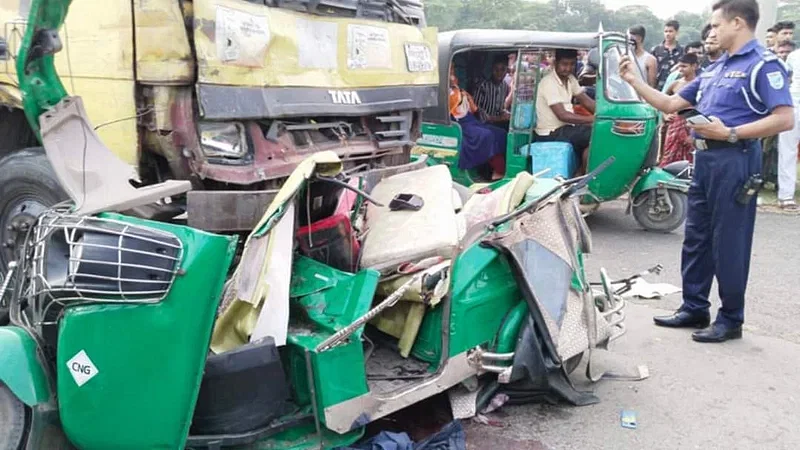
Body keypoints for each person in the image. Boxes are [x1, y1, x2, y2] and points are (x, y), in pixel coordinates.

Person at [618, 0, 794, 343]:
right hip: (705, 161)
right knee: (696, 237)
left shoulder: (763, 65)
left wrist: (730, 133)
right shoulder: (713, 69)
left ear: (738, 23)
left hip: (736, 159)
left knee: (729, 241)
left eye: (716, 25)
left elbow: (785, 118)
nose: (711, 31)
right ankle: (694, 307)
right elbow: (671, 104)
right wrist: (632, 80)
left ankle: (731, 318)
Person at [534, 49, 596, 173]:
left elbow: (586, 101)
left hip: (564, 129)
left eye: (572, 64)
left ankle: (580, 172)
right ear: (555, 63)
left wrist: (606, 113)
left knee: (599, 131)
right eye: (564, 64)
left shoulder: (570, 79)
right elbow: (563, 115)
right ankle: (582, 174)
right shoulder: (548, 82)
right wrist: (594, 119)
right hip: (550, 133)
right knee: (596, 135)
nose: (568, 68)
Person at [449, 67, 507, 180]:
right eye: (450, 72)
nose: (453, 75)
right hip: (459, 124)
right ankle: (498, 171)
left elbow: (474, 109)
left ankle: (493, 170)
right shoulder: (445, 92)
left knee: (500, 133)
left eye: (453, 71)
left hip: (470, 120)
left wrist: (464, 95)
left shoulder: (460, 91)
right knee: (486, 135)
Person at [660, 53, 700, 166]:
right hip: (674, 127)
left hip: (692, 126)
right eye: (680, 66)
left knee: (690, 158)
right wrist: (665, 115)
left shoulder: (700, 84)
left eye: (684, 66)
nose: (681, 69)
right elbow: (663, 102)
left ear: (694, 66)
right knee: (668, 157)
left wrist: (694, 133)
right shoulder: (675, 84)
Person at [777, 42, 800, 210]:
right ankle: (786, 195)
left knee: (788, 150)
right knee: (787, 150)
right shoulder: (794, 56)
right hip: (795, 102)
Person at [473, 57, 511, 127]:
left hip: (499, 122)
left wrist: (504, 113)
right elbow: (476, 110)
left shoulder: (505, 86)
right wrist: (496, 118)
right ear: (491, 70)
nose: (499, 72)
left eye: (502, 69)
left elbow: (501, 107)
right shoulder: (482, 86)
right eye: (496, 69)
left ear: (507, 71)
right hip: (483, 124)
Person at [651, 19, 685, 90]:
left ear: (677, 32)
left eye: (670, 31)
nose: (668, 34)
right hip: (657, 87)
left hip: (676, 88)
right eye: (666, 31)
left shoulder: (682, 50)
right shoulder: (656, 50)